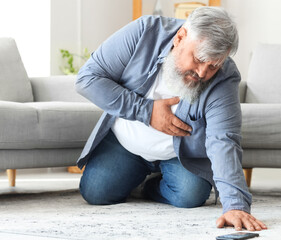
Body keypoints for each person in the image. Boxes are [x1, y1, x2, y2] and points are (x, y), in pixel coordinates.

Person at [75, 7, 267, 231]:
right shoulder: (144, 31)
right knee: (95, 192)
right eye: (198, 59)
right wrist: (146, 111)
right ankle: (135, 176)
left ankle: (149, 187)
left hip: (180, 155)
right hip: (125, 142)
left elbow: (223, 139)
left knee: (190, 196)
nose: (203, 73)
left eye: (213, 65)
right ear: (180, 37)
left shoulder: (224, 77)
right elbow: (87, 79)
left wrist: (235, 205)